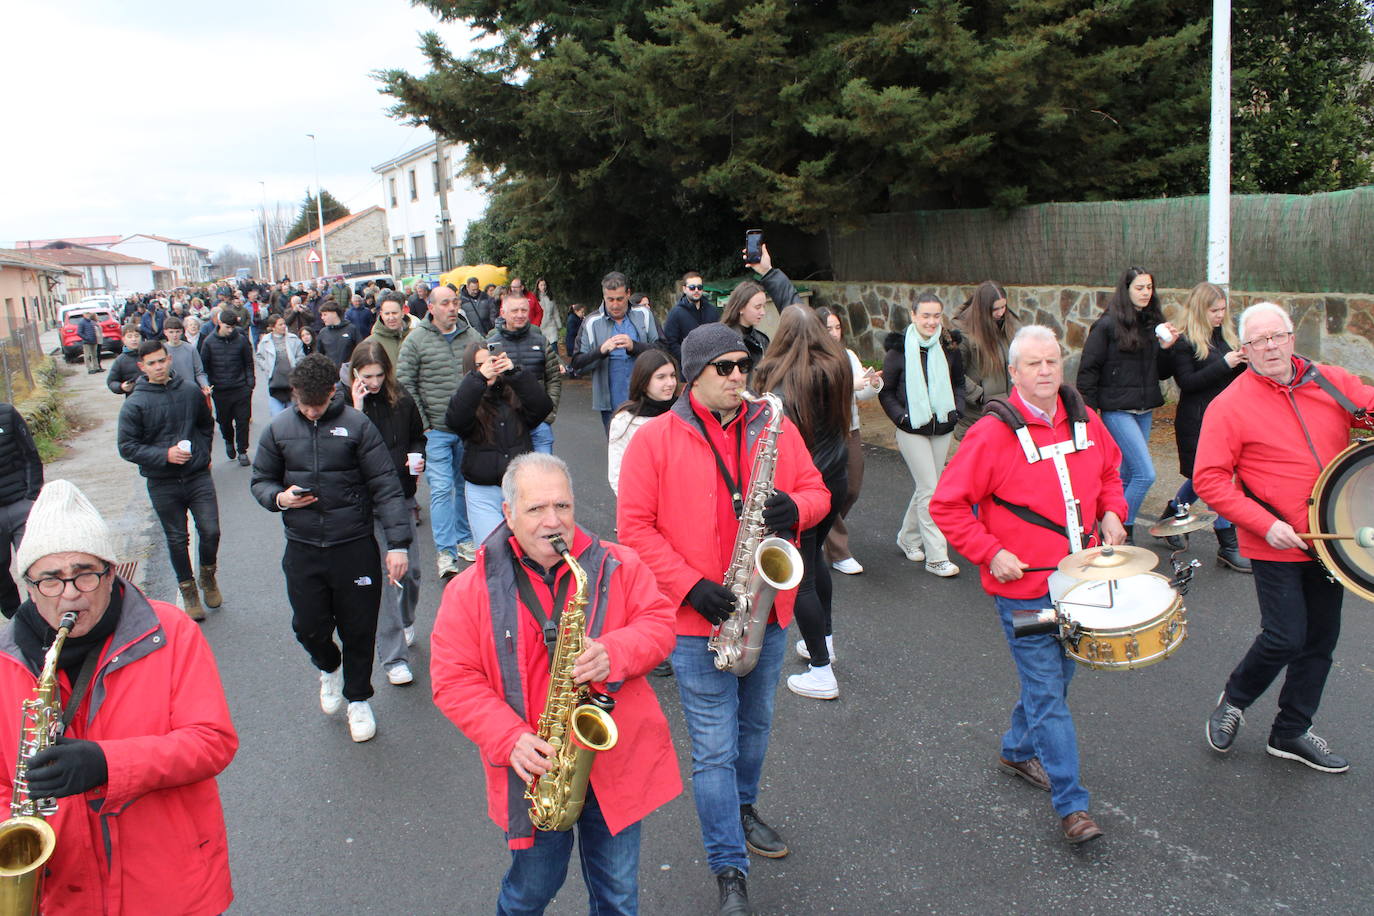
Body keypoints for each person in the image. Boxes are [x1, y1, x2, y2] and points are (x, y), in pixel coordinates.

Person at [617, 323, 829, 915]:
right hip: (694, 622)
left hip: (764, 608)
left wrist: (799, 510)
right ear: (694, 375)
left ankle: (740, 806)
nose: (740, 376)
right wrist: (690, 586)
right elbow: (633, 529)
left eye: (744, 366)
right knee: (713, 748)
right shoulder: (653, 441)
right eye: (726, 367)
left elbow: (817, 491)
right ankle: (728, 868)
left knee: (755, 731)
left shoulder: (774, 426)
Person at [431, 452, 681, 915]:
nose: (554, 522)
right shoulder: (468, 591)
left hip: (615, 764)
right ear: (507, 513)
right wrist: (509, 739)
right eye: (536, 509)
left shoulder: (616, 564)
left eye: (563, 507)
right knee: (530, 894)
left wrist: (616, 651)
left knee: (619, 896)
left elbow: (661, 625)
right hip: (538, 770)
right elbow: (453, 680)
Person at [930, 325, 1127, 846]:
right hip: (1024, 592)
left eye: (1052, 362)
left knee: (1057, 681)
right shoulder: (991, 434)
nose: (1045, 371)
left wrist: (1113, 511)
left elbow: (1111, 471)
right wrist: (991, 553)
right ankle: (1073, 805)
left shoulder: (1084, 417)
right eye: (1033, 364)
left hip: (1080, 583)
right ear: (1013, 373)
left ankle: (1017, 749)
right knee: (1047, 689)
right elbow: (946, 505)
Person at [0, 479, 237, 914]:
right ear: (27, 586)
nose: (71, 593)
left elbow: (212, 741)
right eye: (50, 579)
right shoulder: (4, 663)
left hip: (170, 886)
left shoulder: (170, 631)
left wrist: (106, 764)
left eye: (85, 573)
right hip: (64, 894)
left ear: (111, 572)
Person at [1194, 301, 1374, 774]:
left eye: (1277, 336)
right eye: (1258, 341)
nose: (1270, 347)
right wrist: (1264, 524)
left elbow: (1369, 409)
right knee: (1284, 635)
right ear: (1245, 349)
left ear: (1292, 337)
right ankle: (1235, 699)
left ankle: (1291, 730)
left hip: (1333, 541)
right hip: (1272, 537)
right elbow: (1209, 479)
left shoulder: (1329, 380)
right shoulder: (1228, 405)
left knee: (1321, 639)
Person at [251, 354, 411, 742]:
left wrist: (398, 545)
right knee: (308, 626)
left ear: (332, 393)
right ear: (294, 395)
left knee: (359, 628)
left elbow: (386, 486)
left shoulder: (357, 425)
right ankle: (328, 665)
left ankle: (358, 700)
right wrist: (280, 498)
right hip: (304, 547)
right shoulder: (278, 429)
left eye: (317, 404)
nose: (310, 411)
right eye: (303, 405)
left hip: (353, 544)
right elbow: (260, 481)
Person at [754, 304, 852, 701]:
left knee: (802, 580)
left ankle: (821, 670)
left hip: (802, 489)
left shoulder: (781, 383)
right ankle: (824, 641)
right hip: (835, 480)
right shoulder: (837, 368)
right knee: (816, 563)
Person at [116, 340, 223, 620]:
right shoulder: (135, 404)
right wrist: (164, 455)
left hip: (197, 474)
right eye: (152, 363)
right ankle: (188, 590)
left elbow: (205, 423)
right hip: (162, 481)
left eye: (162, 360)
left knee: (210, 531)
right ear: (142, 367)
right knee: (177, 538)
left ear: (169, 360)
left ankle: (208, 576)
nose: (159, 366)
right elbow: (127, 447)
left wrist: (202, 452)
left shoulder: (189, 391)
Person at [1075, 267, 1178, 543]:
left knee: (1128, 474)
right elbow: (1088, 369)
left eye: (1149, 287)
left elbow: (1163, 372)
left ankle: (1111, 529)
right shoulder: (1107, 325)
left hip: (1144, 409)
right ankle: (1124, 528)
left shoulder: (1154, 323)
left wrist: (1168, 348)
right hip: (1117, 410)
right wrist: (1086, 414)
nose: (1146, 293)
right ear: (1127, 289)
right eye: (1140, 288)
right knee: (1146, 474)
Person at [348, 341, 426, 687]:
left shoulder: (402, 398)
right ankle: (394, 657)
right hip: (366, 505)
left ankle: (406, 618)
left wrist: (416, 455)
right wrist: (356, 408)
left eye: (380, 374)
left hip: (401, 496)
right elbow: (343, 450)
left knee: (412, 573)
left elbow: (417, 437)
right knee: (382, 579)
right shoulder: (343, 405)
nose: (375, 382)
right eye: (368, 376)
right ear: (354, 374)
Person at [396, 282, 484, 576]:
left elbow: (485, 372)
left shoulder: (472, 335)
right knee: (442, 490)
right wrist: (423, 425)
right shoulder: (416, 340)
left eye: (454, 302)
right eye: (445, 303)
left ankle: (463, 539)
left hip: (467, 428)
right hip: (435, 430)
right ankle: (446, 553)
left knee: (463, 487)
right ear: (430, 308)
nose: (451, 308)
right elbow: (405, 384)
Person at [1164, 281, 1248, 569]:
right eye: (1215, 310)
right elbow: (1187, 383)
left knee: (1202, 480)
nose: (1220, 316)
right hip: (1197, 420)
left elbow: (1233, 382)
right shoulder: (1184, 342)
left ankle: (1173, 511)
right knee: (1217, 479)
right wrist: (1224, 364)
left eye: (1224, 310)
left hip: (1226, 421)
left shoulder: (1225, 336)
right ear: (1201, 310)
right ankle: (1228, 544)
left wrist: (1245, 363)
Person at [880, 293, 965, 577]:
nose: (931, 321)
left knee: (927, 487)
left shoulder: (950, 347)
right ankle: (937, 557)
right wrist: (901, 416)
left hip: (941, 427)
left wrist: (957, 412)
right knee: (932, 490)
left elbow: (959, 384)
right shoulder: (899, 350)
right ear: (913, 315)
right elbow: (886, 390)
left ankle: (908, 537)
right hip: (911, 429)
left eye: (936, 315)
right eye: (925, 315)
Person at [446, 341, 553, 545]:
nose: (488, 367)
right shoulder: (466, 396)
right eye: (480, 365)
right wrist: (478, 380)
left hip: (519, 487)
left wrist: (515, 374)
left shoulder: (513, 392)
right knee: (493, 552)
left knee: (528, 550)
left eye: (492, 361)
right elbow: (455, 421)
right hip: (483, 490)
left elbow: (542, 407)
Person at [815, 307, 882, 576]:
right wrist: (848, 385)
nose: (833, 333)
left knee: (851, 489)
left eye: (837, 327)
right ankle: (839, 551)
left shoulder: (848, 355)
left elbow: (862, 392)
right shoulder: (811, 359)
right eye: (828, 328)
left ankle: (819, 528)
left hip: (850, 429)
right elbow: (817, 393)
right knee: (830, 491)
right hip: (823, 434)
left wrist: (873, 384)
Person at [573, 272, 662, 432]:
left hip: (646, 401)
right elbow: (577, 365)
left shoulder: (644, 315)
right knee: (619, 454)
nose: (615, 305)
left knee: (648, 453)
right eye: (610, 299)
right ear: (603, 295)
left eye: (620, 299)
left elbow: (664, 351)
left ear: (628, 293)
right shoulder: (591, 322)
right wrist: (601, 351)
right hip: (611, 406)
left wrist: (634, 346)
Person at [486, 290, 563, 454]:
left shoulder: (541, 341)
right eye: (515, 311)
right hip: (506, 424)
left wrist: (549, 414)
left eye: (524, 310)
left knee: (543, 475)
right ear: (503, 312)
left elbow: (554, 378)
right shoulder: (491, 344)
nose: (520, 315)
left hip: (540, 423)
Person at [954, 280, 1020, 439]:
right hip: (976, 415)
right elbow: (952, 372)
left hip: (1008, 410)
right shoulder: (963, 332)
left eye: (1003, 306)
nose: (1001, 312)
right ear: (982, 308)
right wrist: (978, 396)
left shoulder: (1010, 325)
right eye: (995, 309)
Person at [607, 350, 679, 496]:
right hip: (644, 504)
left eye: (672, 375)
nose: (670, 383)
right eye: (661, 377)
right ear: (644, 380)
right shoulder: (624, 421)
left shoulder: (685, 414)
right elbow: (618, 476)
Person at [0, 401, 42, 618]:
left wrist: (31, 496)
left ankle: (38, 614)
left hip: (20, 504)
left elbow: (30, 454)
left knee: (33, 561)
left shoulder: (6, 414)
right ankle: (16, 618)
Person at [199, 311, 255, 466]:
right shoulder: (209, 342)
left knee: (243, 421)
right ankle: (229, 442)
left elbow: (248, 363)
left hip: (241, 388)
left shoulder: (241, 340)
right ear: (219, 323)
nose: (230, 330)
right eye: (227, 327)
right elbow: (204, 366)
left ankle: (243, 450)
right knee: (225, 422)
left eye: (233, 327)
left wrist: (250, 383)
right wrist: (209, 385)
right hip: (221, 390)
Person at [661, 270, 720, 362]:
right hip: (687, 368)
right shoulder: (675, 313)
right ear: (684, 289)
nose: (696, 290)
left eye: (699, 287)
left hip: (711, 364)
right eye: (692, 287)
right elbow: (671, 342)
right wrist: (689, 359)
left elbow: (719, 337)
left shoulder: (712, 310)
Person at [256, 313, 307, 416]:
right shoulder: (265, 341)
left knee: (292, 413)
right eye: (280, 325)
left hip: (291, 381)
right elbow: (259, 356)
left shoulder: (293, 339)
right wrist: (267, 367)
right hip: (275, 382)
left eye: (284, 324)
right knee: (277, 414)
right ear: (272, 327)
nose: (284, 326)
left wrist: (295, 366)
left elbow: (301, 356)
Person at [162, 316, 210, 396]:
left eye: (177, 332)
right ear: (165, 332)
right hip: (170, 392)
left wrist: (205, 385)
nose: (175, 335)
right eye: (171, 332)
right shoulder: (162, 351)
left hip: (190, 391)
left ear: (182, 332)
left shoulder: (190, 349)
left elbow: (199, 372)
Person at [363, 292, 413, 367]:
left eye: (394, 313)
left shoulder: (415, 336)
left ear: (402, 313)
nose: (391, 317)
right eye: (387, 314)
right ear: (381, 314)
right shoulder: (370, 343)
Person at [315, 301, 359, 368]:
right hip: (330, 374)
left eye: (325, 314)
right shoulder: (323, 332)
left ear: (334, 314)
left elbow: (360, 350)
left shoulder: (351, 329)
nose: (322, 318)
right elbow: (319, 355)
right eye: (321, 315)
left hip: (348, 372)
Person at [106, 324, 144, 398]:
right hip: (133, 398)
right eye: (130, 336)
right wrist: (121, 387)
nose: (134, 339)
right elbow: (111, 382)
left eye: (136, 336)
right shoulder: (120, 360)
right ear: (123, 339)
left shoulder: (148, 354)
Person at [536, 277, 561, 344]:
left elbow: (555, 312)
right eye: (541, 285)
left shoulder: (550, 297)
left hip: (551, 325)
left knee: (554, 345)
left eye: (544, 285)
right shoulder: (535, 298)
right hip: (540, 327)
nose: (543, 287)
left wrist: (559, 325)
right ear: (538, 286)